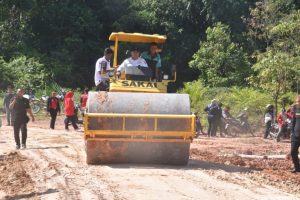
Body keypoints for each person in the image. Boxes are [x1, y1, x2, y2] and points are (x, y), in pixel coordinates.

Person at [290, 95, 300, 173]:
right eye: (298, 101)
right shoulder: (296, 109)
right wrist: (292, 133)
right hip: (295, 135)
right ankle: (297, 167)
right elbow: (293, 121)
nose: (298, 103)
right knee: (293, 152)